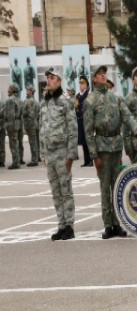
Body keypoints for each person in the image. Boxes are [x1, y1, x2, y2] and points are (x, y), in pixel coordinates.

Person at [83, 65, 137, 238]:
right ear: (93, 79)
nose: (102, 76)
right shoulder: (90, 101)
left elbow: (127, 116)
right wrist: (94, 155)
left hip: (116, 146)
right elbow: (87, 131)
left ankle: (118, 223)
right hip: (102, 148)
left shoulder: (116, 97)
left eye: (104, 74)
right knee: (105, 188)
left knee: (117, 186)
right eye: (99, 74)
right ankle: (108, 224)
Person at [40, 67, 78, 240]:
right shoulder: (45, 102)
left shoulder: (65, 101)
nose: (49, 80)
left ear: (59, 81)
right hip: (49, 153)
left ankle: (69, 226)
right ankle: (61, 225)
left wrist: (71, 155)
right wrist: (43, 154)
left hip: (62, 152)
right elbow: (42, 129)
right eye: (47, 78)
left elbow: (72, 129)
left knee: (66, 190)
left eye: (52, 78)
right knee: (56, 192)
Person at [74, 76, 91, 168]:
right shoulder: (78, 96)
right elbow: (76, 108)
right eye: (80, 83)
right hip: (80, 121)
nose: (81, 85)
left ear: (86, 85)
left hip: (87, 120)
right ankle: (86, 161)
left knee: (88, 142)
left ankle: (90, 160)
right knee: (83, 142)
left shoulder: (88, 95)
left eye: (83, 83)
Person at [2, 85, 21, 168]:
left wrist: (9, 126)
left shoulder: (10, 100)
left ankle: (15, 163)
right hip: (15, 124)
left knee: (13, 144)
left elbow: (10, 115)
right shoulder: (15, 99)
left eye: (9, 87)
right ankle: (16, 162)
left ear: (12, 90)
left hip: (12, 125)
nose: (8, 88)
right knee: (15, 143)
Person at [22, 86, 40, 166]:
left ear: (31, 91)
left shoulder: (30, 101)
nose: (26, 91)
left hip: (31, 124)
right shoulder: (31, 100)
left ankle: (34, 160)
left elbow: (31, 115)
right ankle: (37, 157)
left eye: (28, 90)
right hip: (32, 123)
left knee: (33, 142)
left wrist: (29, 126)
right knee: (35, 142)